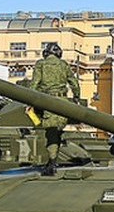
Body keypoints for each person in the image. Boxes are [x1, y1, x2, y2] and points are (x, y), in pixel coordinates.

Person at [25, 42, 80, 175]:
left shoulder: (41, 64)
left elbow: (35, 82)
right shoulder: (64, 65)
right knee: (56, 131)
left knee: (50, 132)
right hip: (62, 102)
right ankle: (52, 161)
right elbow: (74, 82)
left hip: (47, 101)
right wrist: (76, 98)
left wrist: (29, 101)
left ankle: (51, 163)